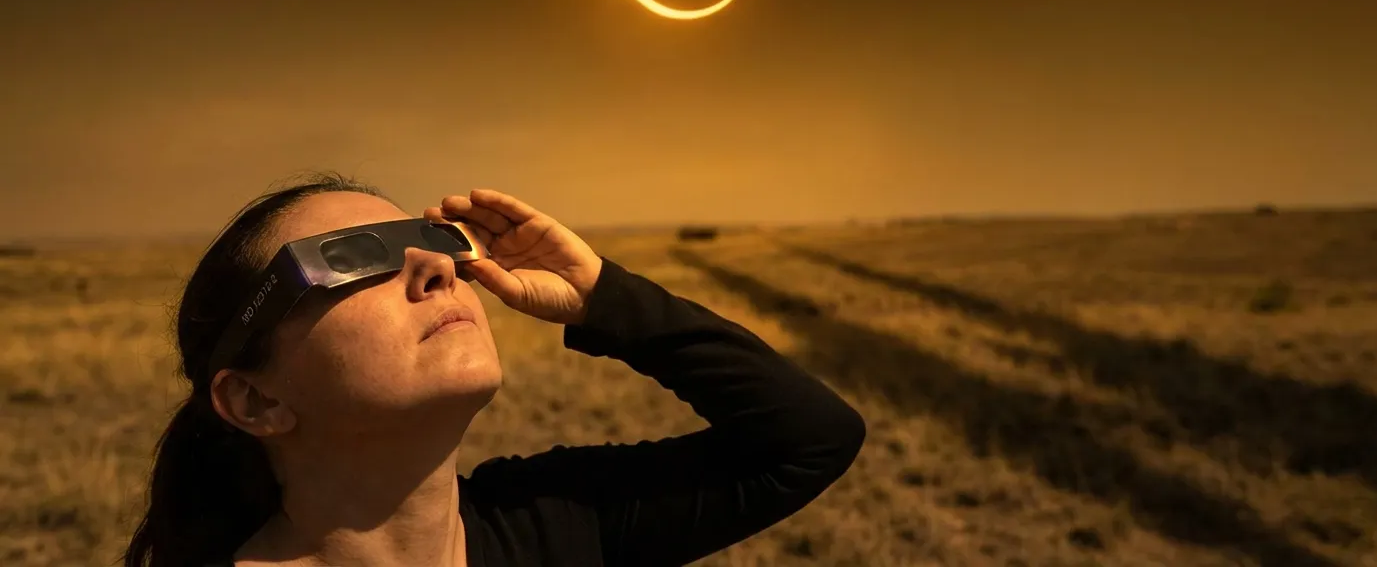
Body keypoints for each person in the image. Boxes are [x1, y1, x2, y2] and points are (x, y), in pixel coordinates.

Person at [123, 172, 866, 567]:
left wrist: (602, 296)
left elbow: (809, 440)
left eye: (428, 238)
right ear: (254, 399)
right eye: (350, 259)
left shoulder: (551, 527)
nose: (433, 266)